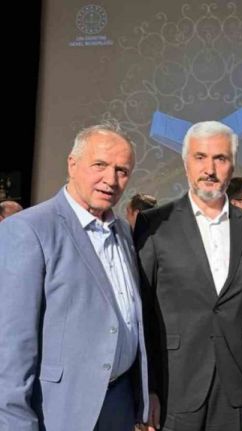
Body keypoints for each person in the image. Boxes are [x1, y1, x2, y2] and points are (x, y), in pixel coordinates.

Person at [0, 123, 149, 430]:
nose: (111, 179)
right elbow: (11, 346)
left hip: (118, 405)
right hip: (59, 410)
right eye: (100, 165)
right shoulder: (29, 230)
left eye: (122, 171)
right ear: (72, 164)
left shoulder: (122, 231)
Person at [134, 121, 242, 431]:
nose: (209, 169)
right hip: (173, 386)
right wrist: (148, 388)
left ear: (232, 165)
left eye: (220, 158)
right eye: (200, 157)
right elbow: (142, 313)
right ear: (186, 162)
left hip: (237, 387)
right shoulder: (154, 225)